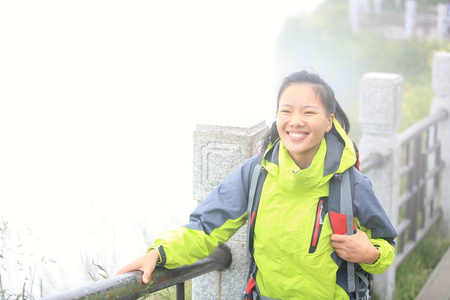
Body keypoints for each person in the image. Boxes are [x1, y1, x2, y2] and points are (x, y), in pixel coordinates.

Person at [117, 70, 397, 299]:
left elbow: (386, 244)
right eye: (286, 110)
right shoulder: (256, 173)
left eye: (309, 112)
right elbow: (205, 228)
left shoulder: (351, 183)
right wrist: (158, 253)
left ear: (328, 122)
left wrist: (371, 254)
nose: (295, 121)